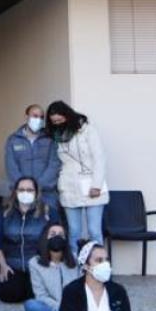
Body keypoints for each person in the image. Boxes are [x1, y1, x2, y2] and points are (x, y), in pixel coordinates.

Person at [47, 101, 108, 255]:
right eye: (54, 122)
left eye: (60, 120)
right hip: (68, 185)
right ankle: (74, 268)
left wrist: (97, 185)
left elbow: (99, 158)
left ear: (67, 115)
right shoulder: (55, 135)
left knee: (94, 230)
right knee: (74, 231)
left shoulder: (87, 130)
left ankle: (98, 265)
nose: (58, 124)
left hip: (91, 184)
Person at [0, 176, 52, 303]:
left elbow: (56, 241)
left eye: (30, 190)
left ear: (36, 192)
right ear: (15, 192)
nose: (25, 193)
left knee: (36, 295)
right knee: (8, 295)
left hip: (38, 265)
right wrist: (3, 266)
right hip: (13, 265)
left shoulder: (47, 212)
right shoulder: (5, 212)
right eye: (21, 189)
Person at [25, 223, 80, 311]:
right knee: (31, 305)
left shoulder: (75, 260)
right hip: (53, 308)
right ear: (45, 237)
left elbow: (81, 289)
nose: (57, 237)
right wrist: (60, 307)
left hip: (74, 309)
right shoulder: (34, 263)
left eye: (61, 235)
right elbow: (41, 295)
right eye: (53, 234)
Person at [3, 104, 61, 216]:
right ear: (26, 117)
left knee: (48, 226)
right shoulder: (13, 140)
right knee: (25, 227)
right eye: (35, 116)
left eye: (41, 117)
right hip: (22, 194)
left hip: (47, 193)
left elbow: (54, 164)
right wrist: (25, 188)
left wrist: (37, 186)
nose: (38, 119)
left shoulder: (50, 138)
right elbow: (11, 166)